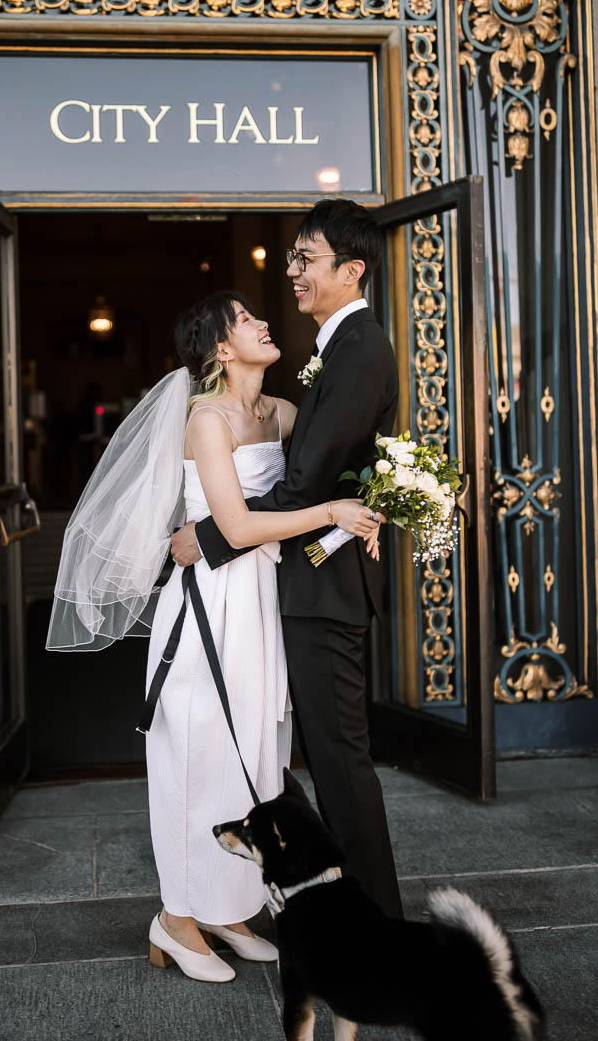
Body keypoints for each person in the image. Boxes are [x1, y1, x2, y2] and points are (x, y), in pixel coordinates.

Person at [46, 288, 379, 984]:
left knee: (252, 762)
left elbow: (338, 452)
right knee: (196, 766)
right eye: (247, 320)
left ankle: (228, 911)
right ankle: (175, 920)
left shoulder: (280, 411)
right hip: (210, 610)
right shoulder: (207, 418)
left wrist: (384, 492)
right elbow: (235, 529)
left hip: (261, 606)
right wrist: (333, 512)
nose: (263, 322)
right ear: (222, 349)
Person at [172, 199, 403, 923]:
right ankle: (227, 907)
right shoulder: (332, 356)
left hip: (320, 587)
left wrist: (207, 536)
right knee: (280, 754)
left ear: (351, 269)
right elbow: (336, 473)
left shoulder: (358, 352)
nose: (293, 272)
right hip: (286, 587)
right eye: (295, 257)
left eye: (305, 259)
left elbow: (305, 485)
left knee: (338, 764)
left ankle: (378, 927)